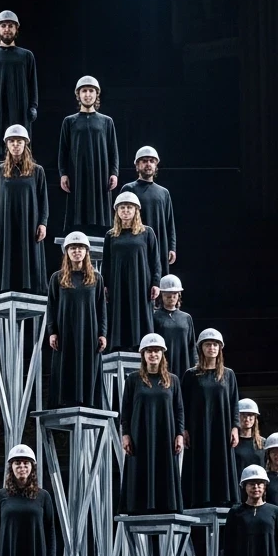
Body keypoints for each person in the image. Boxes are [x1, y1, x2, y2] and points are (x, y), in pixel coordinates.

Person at [119, 334, 185, 514]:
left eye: (156, 351)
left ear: (162, 354)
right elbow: (125, 411)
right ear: (143, 354)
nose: (153, 354)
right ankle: (138, 506)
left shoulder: (173, 380)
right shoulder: (133, 379)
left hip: (165, 434)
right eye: (149, 351)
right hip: (140, 434)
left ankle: (166, 506)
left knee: (164, 469)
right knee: (139, 467)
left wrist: (179, 434)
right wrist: (125, 435)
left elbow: (179, 410)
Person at [181, 328, 240, 508]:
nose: (212, 348)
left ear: (220, 349)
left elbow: (234, 402)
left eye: (215, 345)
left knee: (221, 461)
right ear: (201, 348)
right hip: (198, 428)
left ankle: (222, 499)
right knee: (200, 460)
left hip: (221, 428)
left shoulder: (228, 374)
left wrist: (235, 427)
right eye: (208, 344)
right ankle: (199, 500)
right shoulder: (191, 375)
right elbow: (182, 404)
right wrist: (183, 429)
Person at [47, 231, 107, 408]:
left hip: (89, 332)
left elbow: (101, 309)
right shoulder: (57, 278)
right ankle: (66, 402)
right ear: (67, 252)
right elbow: (52, 307)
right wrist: (52, 332)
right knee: (66, 366)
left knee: (88, 366)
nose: (77, 251)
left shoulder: (96, 278)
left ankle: (88, 403)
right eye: (73, 248)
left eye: (80, 248)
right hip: (66, 332)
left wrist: (102, 333)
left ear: (86, 251)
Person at [0, 124, 48, 295]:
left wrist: (43, 223)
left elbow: (43, 200)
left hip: (29, 223)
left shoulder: (38, 171)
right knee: (7, 255)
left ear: (25, 144)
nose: (15, 145)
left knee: (29, 255)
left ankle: (30, 289)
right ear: (7, 144)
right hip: (6, 223)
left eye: (19, 141)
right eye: (12, 141)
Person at [58, 76, 119, 236]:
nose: (87, 94)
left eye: (91, 91)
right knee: (78, 212)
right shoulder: (69, 121)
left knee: (101, 216)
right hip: (77, 174)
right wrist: (63, 173)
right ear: (78, 95)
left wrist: (114, 173)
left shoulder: (107, 122)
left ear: (96, 94)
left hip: (100, 174)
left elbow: (113, 150)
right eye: (84, 91)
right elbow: (63, 150)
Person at [101, 191, 161, 351]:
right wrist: (105, 285)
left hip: (141, 281)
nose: (126, 211)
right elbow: (106, 263)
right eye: (122, 208)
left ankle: (140, 346)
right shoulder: (111, 235)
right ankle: (119, 346)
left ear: (136, 210)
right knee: (119, 310)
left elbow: (155, 260)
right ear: (117, 211)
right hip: (117, 282)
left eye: (129, 207)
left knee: (140, 311)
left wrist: (156, 283)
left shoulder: (147, 233)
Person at [0, 10, 39, 161]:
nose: (7, 29)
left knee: (19, 145)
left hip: (19, 110)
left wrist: (33, 106)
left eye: (10, 25)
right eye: (3, 25)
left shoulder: (26, 56)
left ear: (16, 29)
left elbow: (33, 85)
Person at [125, 145, 176, 274]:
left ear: (156, 166)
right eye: (144, 160)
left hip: (159, 245)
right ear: (137, 165)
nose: (148, 164)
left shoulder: (164, 193)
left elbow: (170, 222)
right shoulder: (129, 189)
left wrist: (172, 247)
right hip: (136, 243)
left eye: (151, 161)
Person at [152, 274, 197, 379]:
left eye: (174, 294)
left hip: (183, 365)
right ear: (161, 295)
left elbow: (192, 346)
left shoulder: (186, 318)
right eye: (168, 295)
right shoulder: (154, 317)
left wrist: (196, 366)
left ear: (179, 295)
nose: (171, 298)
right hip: (162, 365)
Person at [233, 398, 264, 478]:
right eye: (243, 415)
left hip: (258, 487)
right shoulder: (232, 442)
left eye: (250, 415)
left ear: (255, 418)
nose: (247, 419)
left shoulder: (263, 443)